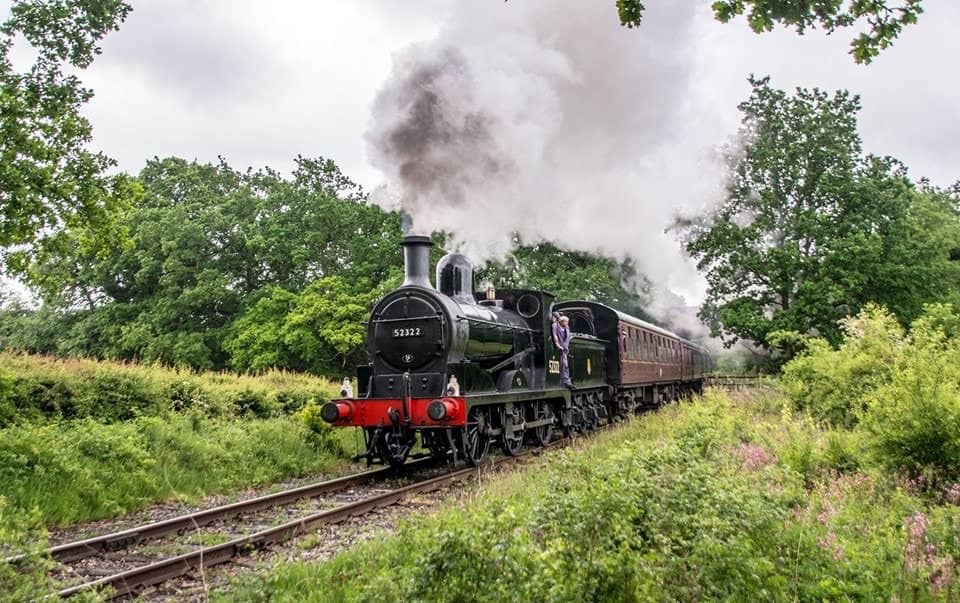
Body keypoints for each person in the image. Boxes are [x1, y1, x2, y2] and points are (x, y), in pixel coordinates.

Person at [555, 315, 573, 388]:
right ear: (562, 322)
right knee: (563, 366)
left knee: (565, 366)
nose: (567, 323)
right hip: (560, 349)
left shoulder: (567, 329)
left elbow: (567, 338)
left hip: (565, 350)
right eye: (566, 322)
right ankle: (564, 381)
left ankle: (567, 381)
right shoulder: (556, 328)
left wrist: (565, 348)